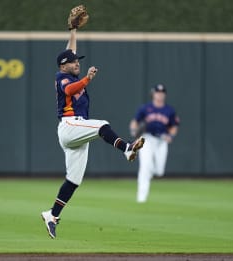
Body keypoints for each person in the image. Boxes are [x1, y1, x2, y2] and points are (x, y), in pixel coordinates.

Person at [41, 27, 145, 239]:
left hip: (75, 132)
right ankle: (126, 148)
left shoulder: (68, 69)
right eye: (73, 61)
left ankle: (52, 215)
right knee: (101, 126)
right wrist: (87, 78)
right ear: (63, 65)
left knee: (74, 180)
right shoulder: (62, 77)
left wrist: (73, 30)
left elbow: (69, 51)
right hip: (70, 126)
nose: (77, 62)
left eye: (78, 60)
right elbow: (70, 90)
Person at [129, 84, 179, 203]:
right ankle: (141, 198)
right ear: (154, 94)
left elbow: (174, 126)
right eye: (157, 93)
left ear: (164, 95)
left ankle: (149, 170)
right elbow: (134, 122)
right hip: (147, 139)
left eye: (162, 93)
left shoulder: (169, 110)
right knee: (144, 167)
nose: (160, 95)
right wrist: (133, 131)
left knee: (159, 171)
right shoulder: (145, 108)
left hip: (162, 141)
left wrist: (171, 135)